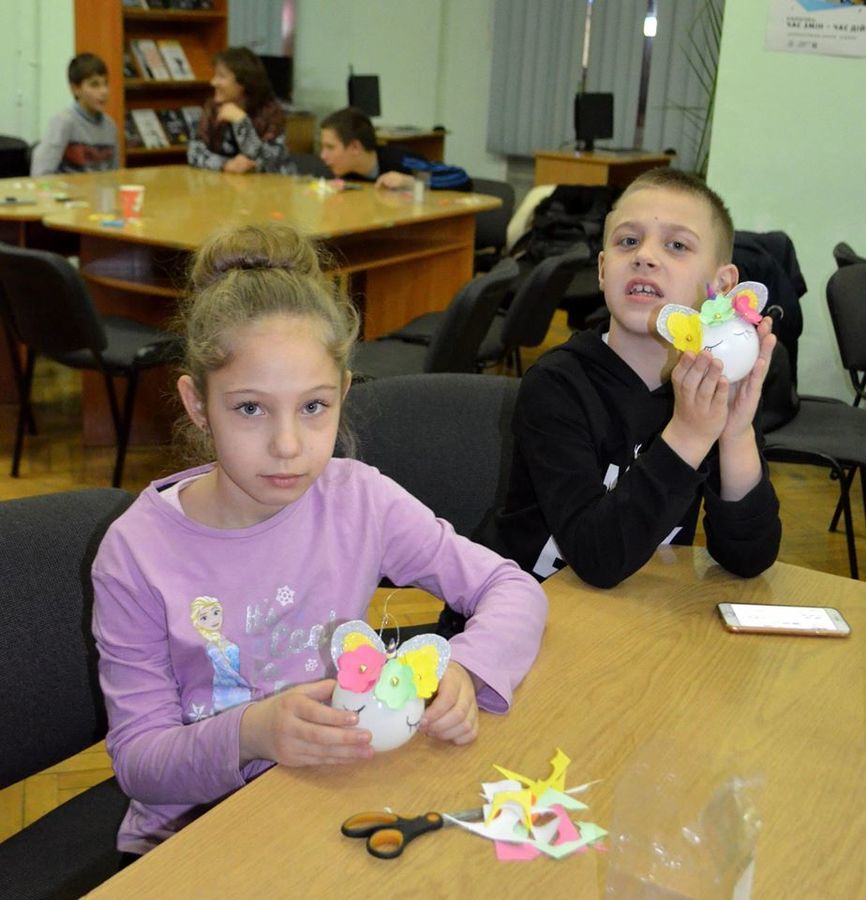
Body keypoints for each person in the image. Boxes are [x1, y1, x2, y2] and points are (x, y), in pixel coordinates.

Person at [91, 222, 547, 856]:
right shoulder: (136, 552)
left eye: (313, 407)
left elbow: (511, 587)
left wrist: (465, 667)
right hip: (193, 838)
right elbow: (140, 763)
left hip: (332, 800)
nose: (287, 445)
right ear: (197, 405)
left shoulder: (358, 499)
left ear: (344, 395)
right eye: (250, 408)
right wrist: (251, 733)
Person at [490, 168, 782, 588]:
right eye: (629, 241)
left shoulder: (710, 386)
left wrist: (735, 432)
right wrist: (688, 435)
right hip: (519, 618)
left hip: (629, 621)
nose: (645, 256)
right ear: (604, 269)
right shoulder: (557, 385)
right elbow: (597, 560)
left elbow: (749, 556)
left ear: (722, 284)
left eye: (676, 245)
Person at [187, 46, 291, 174]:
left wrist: (241, 121)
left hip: (268, 188)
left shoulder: (271, 112)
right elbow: (194, 154)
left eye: (221, 76)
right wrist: (225, 164)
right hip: (225, 186)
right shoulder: (212, 107)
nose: (213, 82)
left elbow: (268, 162)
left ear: (243, 82)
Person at [319, 106, 472, 191]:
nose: (323, 156)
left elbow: (460, 177)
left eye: (330, 147)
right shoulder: (345, 171)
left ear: (355, 147)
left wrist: (412, 181)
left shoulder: (400, 161)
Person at [30, 53, 117, 177]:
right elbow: (41, 173)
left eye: (105, 84)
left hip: (100, 194)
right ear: (75, 89)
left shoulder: (110, 126)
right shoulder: (63, 122)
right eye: (94, 85)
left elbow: (114, 175)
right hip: (70, 194)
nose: (103, 91)